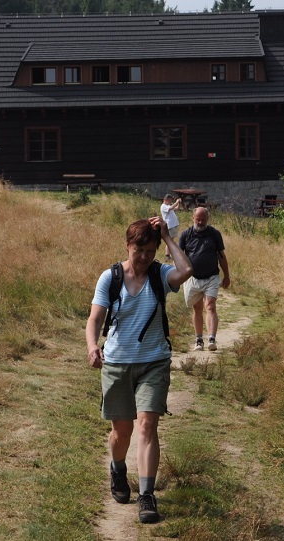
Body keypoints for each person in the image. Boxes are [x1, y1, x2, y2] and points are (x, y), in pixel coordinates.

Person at [86, 215, 193, 524]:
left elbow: (187, 271)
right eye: (139, 251)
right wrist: (92, 346)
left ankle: (147, 495)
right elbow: (95, 319)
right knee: (122, 432)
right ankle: (118, 469)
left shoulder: (161, 275)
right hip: (117, 363)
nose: (144, 257)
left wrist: (169, 236)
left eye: (151, 251)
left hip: (154, 362)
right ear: (128, 246)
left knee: (147, 425)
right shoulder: (111, 277)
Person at [178, 207, 231, 352]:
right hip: (192, 278)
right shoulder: (185, 235)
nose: (200, 222)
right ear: (193, 218)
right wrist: (177, 276)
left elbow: (221, 256)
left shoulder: (214, 234)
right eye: (198, 219)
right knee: (197, 308)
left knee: (211, 305)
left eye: (203, 219)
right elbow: (179, 257)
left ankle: (212, 339)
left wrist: (226, 275)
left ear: (207, 219)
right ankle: (199, 340)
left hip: (211, 276)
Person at [159, 193, 183, 260]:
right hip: (170, 225)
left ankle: (169, 255)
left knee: (171, 240)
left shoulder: (168, 205)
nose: (170, 201)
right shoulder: (163, 206)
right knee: (169, 241)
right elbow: (171, 208)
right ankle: (167, 255)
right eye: (169, 200)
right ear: (165, 199)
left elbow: (177, 209)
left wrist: (179, 203)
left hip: (173, 225)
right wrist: (176, 202)